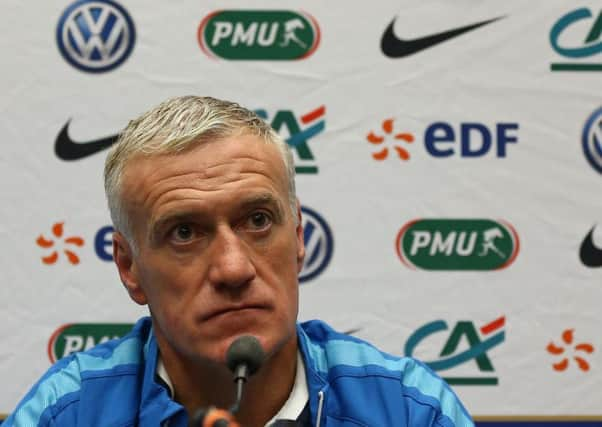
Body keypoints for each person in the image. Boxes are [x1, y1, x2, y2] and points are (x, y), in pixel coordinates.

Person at [4, 96, 473, 427]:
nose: (233, 269)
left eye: (258, 220)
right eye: (184, 232)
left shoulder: (410, 410)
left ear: (298, 238)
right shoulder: (66, 413)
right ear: (129, 268)